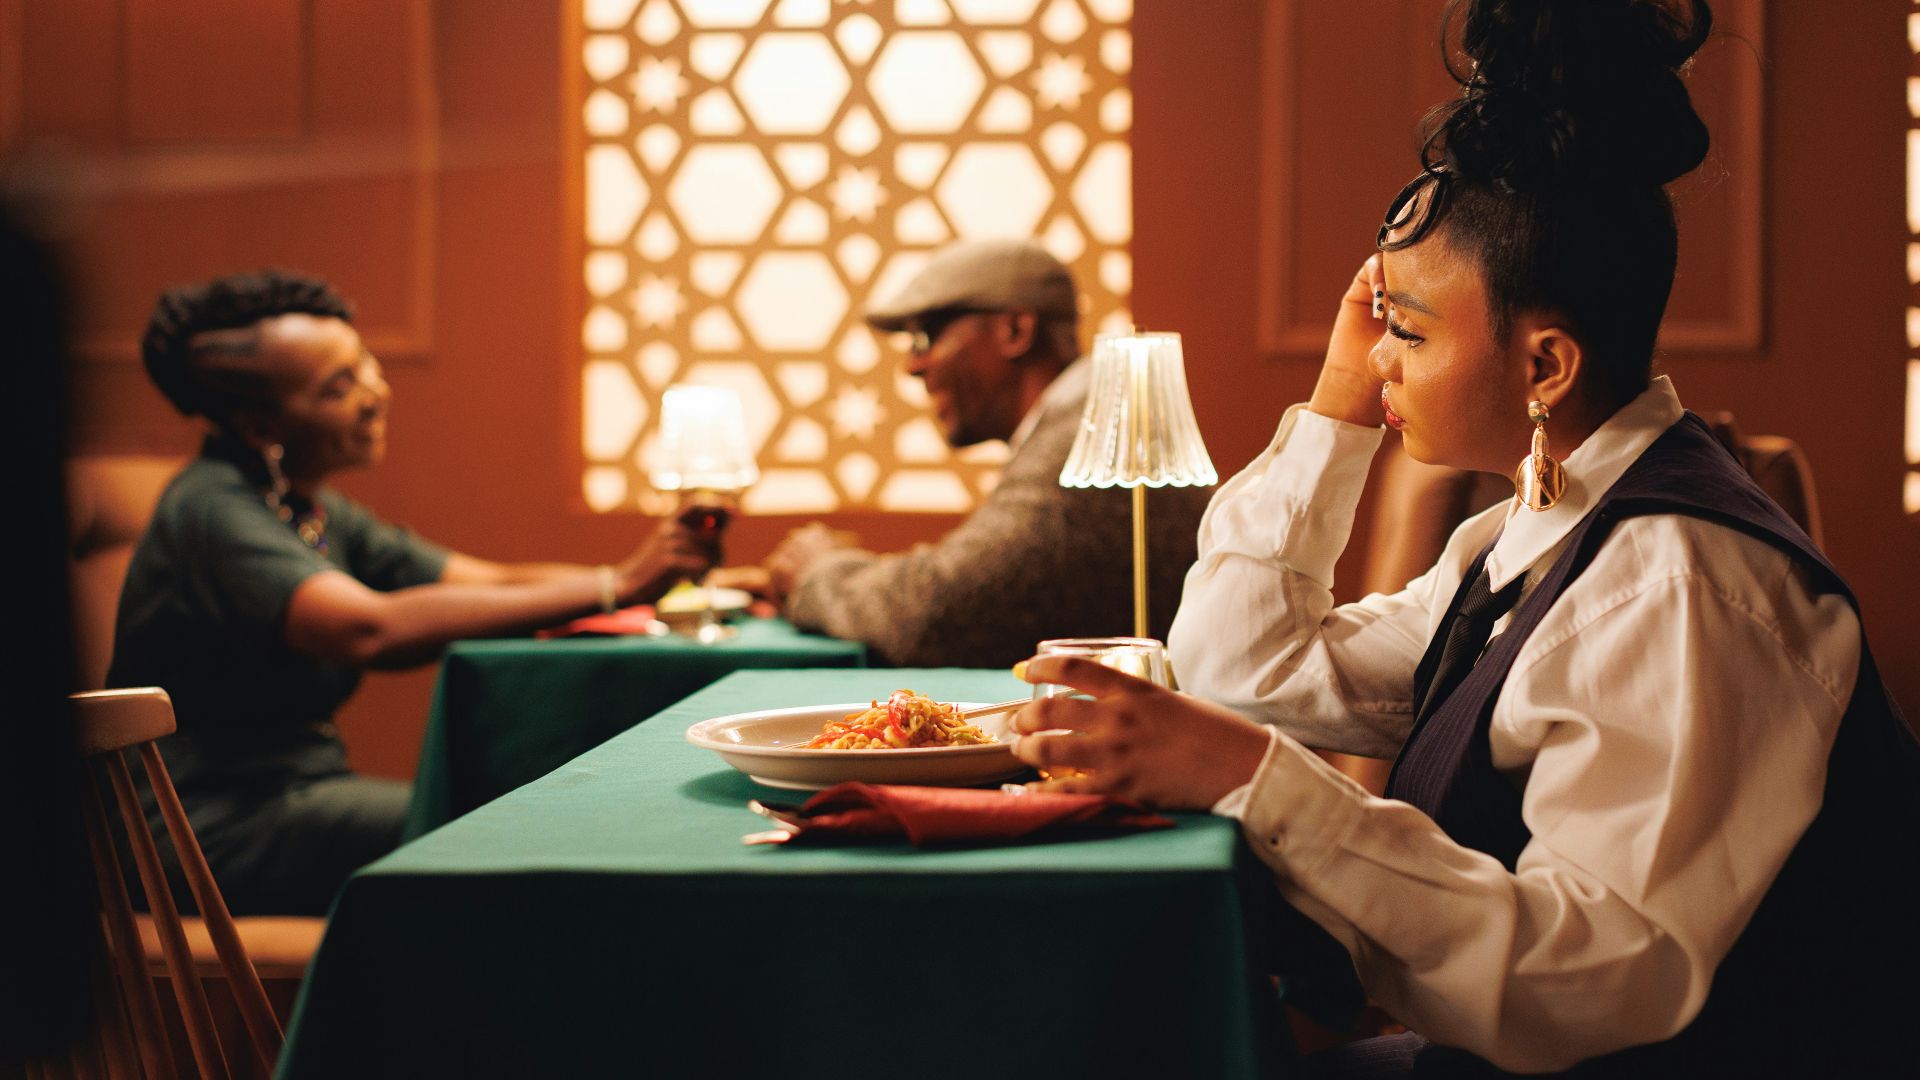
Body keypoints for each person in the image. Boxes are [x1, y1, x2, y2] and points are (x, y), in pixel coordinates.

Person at [1004, 1, 1919, 1074]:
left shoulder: (1673, 584)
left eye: (1409, 331)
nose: (1380, 356)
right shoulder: (1532, 532)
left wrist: (1252, 774)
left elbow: (1595, 984)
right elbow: (1246, 670)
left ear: (1545, 368)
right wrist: (1342, 397)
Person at [109, 269, 715, 915]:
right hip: (198, 832)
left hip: (298, 798)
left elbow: (492, 581)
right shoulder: (211, 510)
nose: (377, 391)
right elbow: (368, 629)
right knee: (496, 823)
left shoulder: (308, 511)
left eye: (365, 364)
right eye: (340, 386)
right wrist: (618, 584)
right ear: (260, 425)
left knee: (517, 809)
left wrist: (666, 580)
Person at [740, 238, 1211, 667]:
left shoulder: (1087, 444)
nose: (912, 366)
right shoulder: (1094, 419)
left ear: (1014, 331)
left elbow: (936, 612)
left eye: (927, 337)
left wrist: (819, 571)